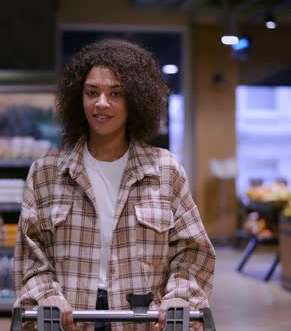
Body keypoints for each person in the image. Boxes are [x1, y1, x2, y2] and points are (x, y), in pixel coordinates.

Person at [14, 38, 216, 331]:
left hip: (142, 322)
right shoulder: (46, 172)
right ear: (78, 98)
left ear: (135, 99)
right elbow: (31, 257)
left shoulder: (164, 169)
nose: (102, 103)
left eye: (116, 93)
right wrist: (47, 296)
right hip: (70, 322)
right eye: (92, 92)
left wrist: (180, 296)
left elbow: (192, 250)